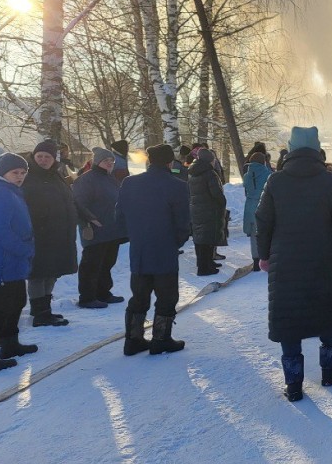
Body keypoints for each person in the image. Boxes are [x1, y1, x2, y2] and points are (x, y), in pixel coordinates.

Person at [255, 126, 332, 401]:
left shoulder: (276, 182)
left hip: (285, 264)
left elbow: (263, 222)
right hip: (323, 262)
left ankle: (293, 385)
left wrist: (264, 255)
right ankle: (328, 371)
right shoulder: (329, 182)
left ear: (290, 149)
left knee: (289, 322)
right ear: (316, 149)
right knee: (327, 318)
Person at [116, 144, 191, 355]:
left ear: (149, 161)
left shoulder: (129, 183)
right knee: (167, 296)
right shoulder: (177, 185)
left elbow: (119, 216)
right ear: (170, 162)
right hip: (165, 249)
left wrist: (135, 237)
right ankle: (161, 338)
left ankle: (133, 339)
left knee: (138, 295)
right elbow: (183, 222)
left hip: (139, 249)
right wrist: (176, 242)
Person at [22, 140, 83, 327]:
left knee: (52, 272)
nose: (42, 160)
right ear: (33, 157)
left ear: (53, 159)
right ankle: (39, 313)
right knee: (38, 274)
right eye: (39, 156)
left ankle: (45, 310)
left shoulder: (55, 175)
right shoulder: (28, 177)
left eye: (47, 156)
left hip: (58, 234)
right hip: (38, 235)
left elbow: (69, 200)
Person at [0, 153, 37, 374]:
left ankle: (10, 344)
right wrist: (25, 249)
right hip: (1, 263)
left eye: (23, 173)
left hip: (11, 263)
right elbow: (0, 231)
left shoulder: (10, 192)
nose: (20, 176)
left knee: (16, 302)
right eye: (15, 172)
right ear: (3, 173)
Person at [71, 148, 127, 307]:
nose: (109, 163)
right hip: (95, 230)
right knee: (92, 264)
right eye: (105, 160)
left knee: (107, 263)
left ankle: (103, 293)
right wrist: (91, 219)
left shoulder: (110, 178)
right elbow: (79, 202)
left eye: (111, 161)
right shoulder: (86, 179)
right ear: (97, 162)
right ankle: (87, 297)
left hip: (112, 229)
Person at [189, 148, 227, 276]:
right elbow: (216, 193)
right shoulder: (209, 173)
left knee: (200, 238)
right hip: (209, 209)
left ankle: (205, 263)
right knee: (208, 238)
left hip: (196, 208)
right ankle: (205, 268)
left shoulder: (193, 171)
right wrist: (222, 202)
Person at [242, 151, 271, 271]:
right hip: (263, 205)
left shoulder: (247, 175)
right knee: (265, 232)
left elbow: (246, 192)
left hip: (250, 205)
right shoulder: (268, 174)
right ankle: (265, 258)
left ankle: (255, 260)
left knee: (253, 234)